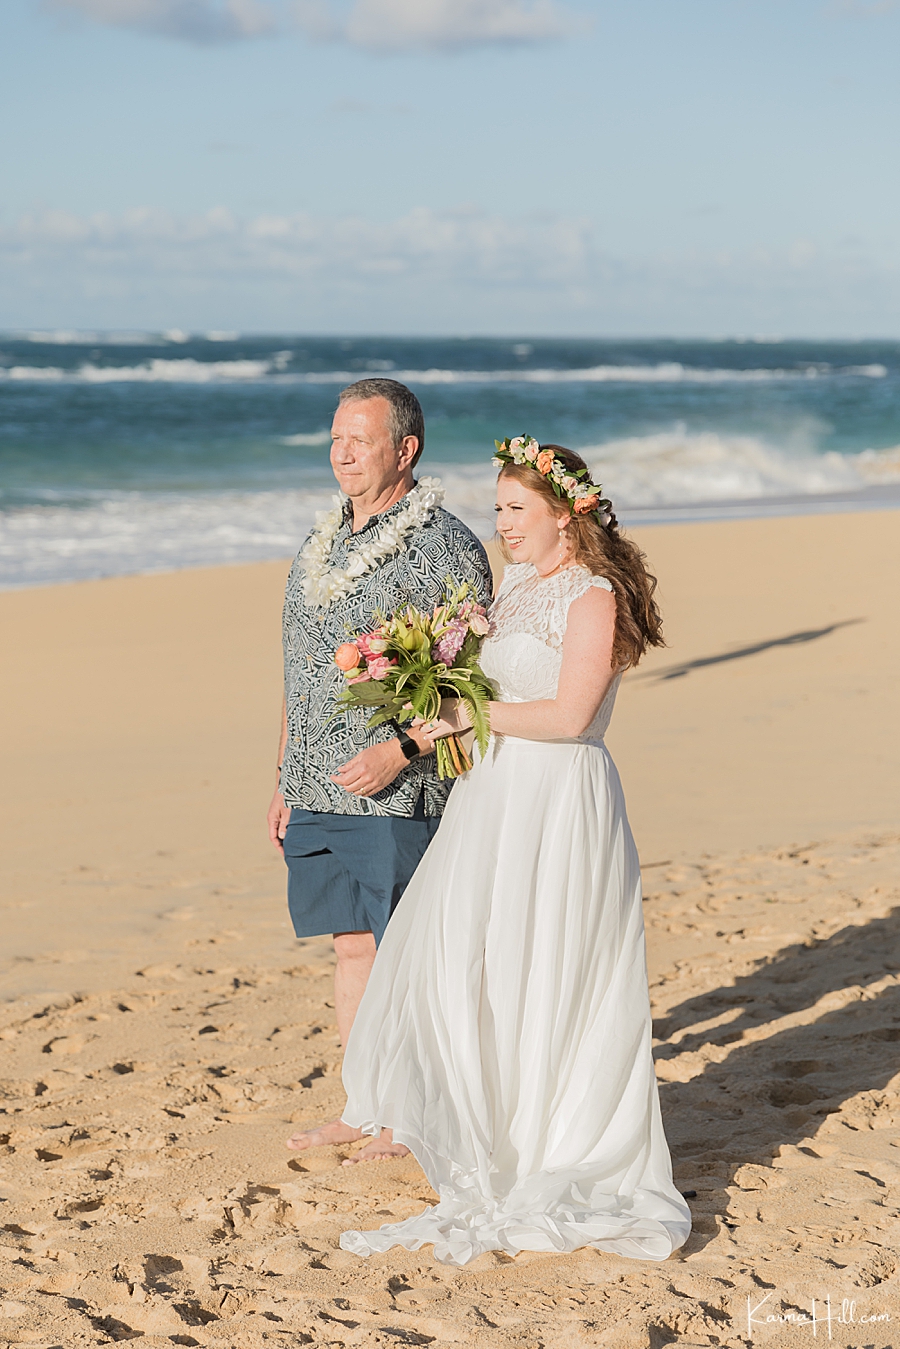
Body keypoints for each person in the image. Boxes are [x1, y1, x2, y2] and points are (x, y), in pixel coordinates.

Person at [338, 437, 692, 1263]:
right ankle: (489, 1137)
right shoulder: (517, 585)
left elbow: (571, 716)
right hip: (493, 794)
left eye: (515, 510)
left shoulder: (593, 597)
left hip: (559, 798)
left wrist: (470, 719)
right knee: (472, 960)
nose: (501, 525)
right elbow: (490, 691)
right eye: (497, 509)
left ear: (565, 513)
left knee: (550, 969)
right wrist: (434, 710)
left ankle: (551, 1148)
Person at [268, 379, 492, 1163]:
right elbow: (300, 668)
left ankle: (414, 1114)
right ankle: (366, 1104)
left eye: (359, 438)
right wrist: (284, 775)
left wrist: (398, 750)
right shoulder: (318, 540)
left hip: (399, 792)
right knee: (351, 949)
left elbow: (472, 683)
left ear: (405, 450)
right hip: (315, 787)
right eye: (335, 436)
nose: (342, 451)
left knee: (409, 956)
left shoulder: (446, 546)